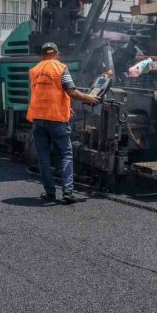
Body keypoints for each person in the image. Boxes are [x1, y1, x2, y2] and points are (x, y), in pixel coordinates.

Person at [27, 42, 100, 203]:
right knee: (66, 154)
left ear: (42, 55)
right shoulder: (61, 68)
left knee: (43, 157)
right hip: (56, 119)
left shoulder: (34, 70)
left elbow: (43, 94)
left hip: (38, 118)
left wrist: (66, 107)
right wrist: (89, 98)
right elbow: (71, 91)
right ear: (57, 54)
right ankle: (67, 192)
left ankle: (50, 193)